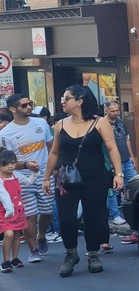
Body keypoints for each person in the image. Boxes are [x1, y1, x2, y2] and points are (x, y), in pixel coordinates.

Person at [41, 85, 124, 278]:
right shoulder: (60, 124)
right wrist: (46, 177)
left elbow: (112, 149)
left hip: (96, 176)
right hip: (66, 177)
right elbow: (54, 152)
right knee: (67, 218)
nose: (62, 101)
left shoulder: (100, 122)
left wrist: (118, 174)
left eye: (66, 98)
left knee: (93, 217)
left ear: (80, 101)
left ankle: (93, 254)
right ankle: (71, 253)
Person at [0, 94, 53, 263]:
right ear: (13, 109)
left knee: (47, 211)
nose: (29, 107)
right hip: (22, 178)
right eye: (24, 105)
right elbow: (7, 160)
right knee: (29, 215)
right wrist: (26, 165)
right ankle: (33, 250)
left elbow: (51, 147)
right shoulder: (6, 133)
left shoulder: (41, 123)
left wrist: (54, 168)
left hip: (45, 175)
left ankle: (42, 235)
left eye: (30, 104)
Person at [103, 101, 136, 250]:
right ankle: (115, 214)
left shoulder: (121, 122)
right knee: (113, 189)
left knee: (134, 182)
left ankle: (131, 208)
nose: (115, 113)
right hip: (112, 162)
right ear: (106, 110)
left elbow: (127, 139)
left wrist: (131, 155)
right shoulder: (103, 123)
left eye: (117, 110)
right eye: (113, 111)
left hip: (126, 160)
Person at [0, 149, 28, 273]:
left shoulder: (16, 175)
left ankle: (15, 259)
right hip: (4, 212)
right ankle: (6, 260)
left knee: (17, 234)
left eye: (12, 163)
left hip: (18, 210)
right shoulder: (0, 179)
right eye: (5, 164)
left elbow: (28, 181)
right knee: (9, 234)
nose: (10, 166)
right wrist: (9, 208)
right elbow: (4, 196)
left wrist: (35, 174)